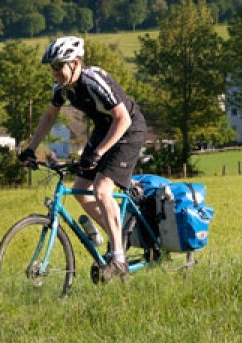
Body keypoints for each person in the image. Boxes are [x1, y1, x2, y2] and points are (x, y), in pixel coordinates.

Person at [16, 35, 148, 283]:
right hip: (104, 129)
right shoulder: (62, 88)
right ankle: (119, 234)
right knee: (80, 191)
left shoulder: (93, 81)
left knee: (101, 189)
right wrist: (31, 148)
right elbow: (49, 116)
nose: (54, 72)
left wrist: (98, 153)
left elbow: (123, 119)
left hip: (128, 130)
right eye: (51, 67)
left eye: (58, 66)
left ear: (75, 64)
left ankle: (118, 258)